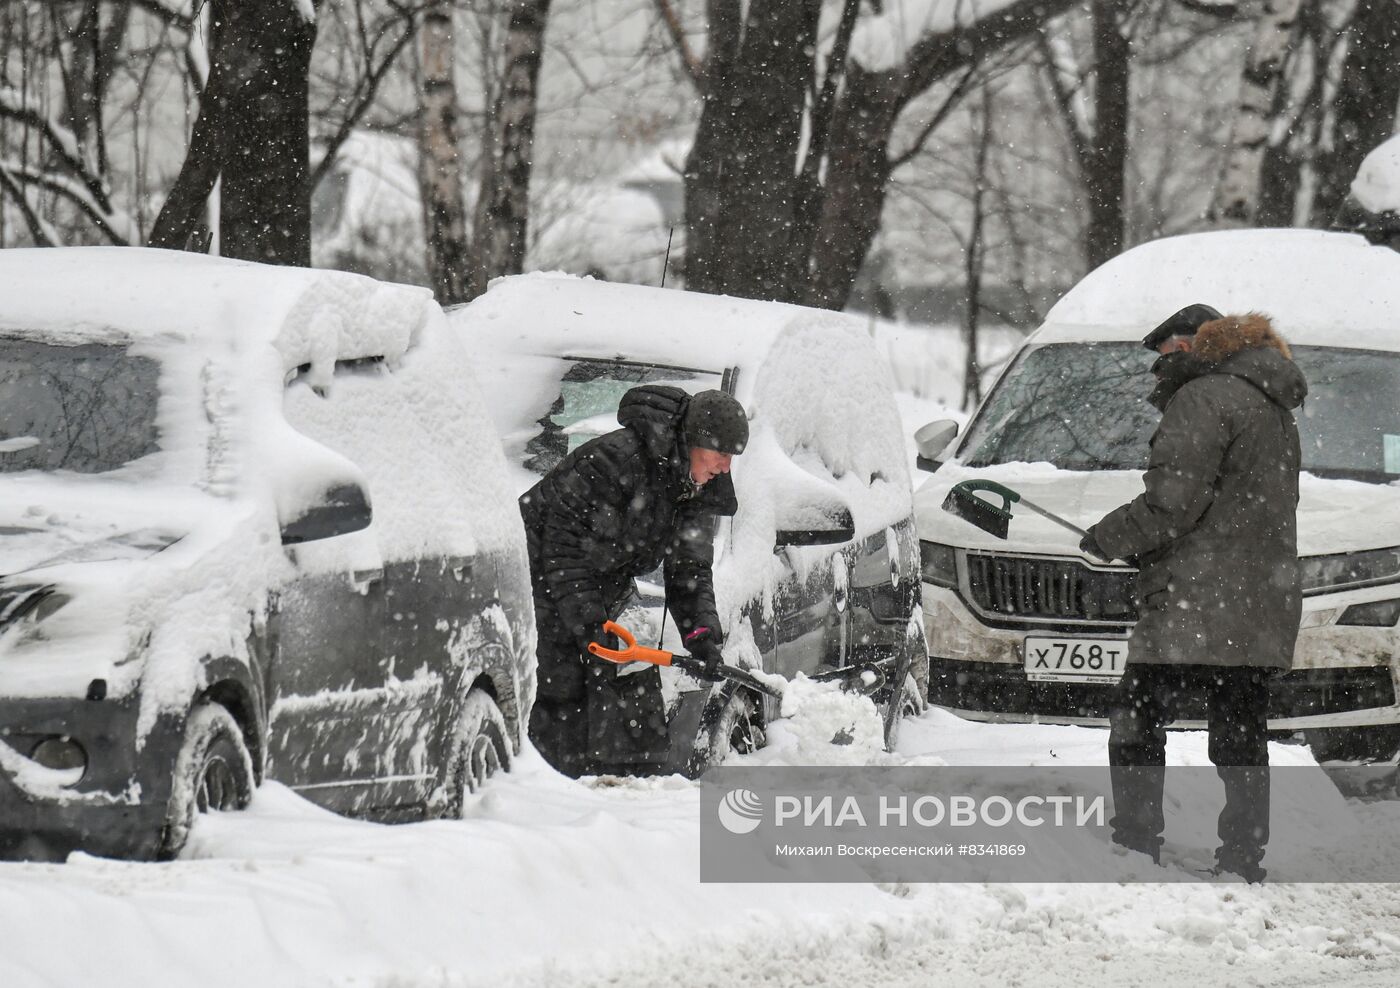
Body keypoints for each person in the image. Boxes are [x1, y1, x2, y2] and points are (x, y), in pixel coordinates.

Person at [1081, 304, 1307, 882]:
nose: (1159, 377)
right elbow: (1244, 507)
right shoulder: (1273, 406)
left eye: (1163, 361)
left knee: (1137, 717)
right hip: (1259, 601)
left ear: (1187, 348)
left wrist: (1106, 538)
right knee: (1240, 734)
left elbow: (1172, 503)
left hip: (1195, 601)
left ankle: (1133, 847)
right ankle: (1242, 858)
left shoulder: (1204, 399)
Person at [520, 385, 748, 778]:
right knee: (558, 692)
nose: (725, 467)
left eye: (732, 458)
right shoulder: (615, 461)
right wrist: (589, 621)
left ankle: (581, 793)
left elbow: (689, 569)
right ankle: (541, 797)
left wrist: (702, 635)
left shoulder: (693, 486)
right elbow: (561, 546)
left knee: (598, 699)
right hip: (531, 582)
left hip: (589, 589)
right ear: (692, 441)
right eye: (721, 454)